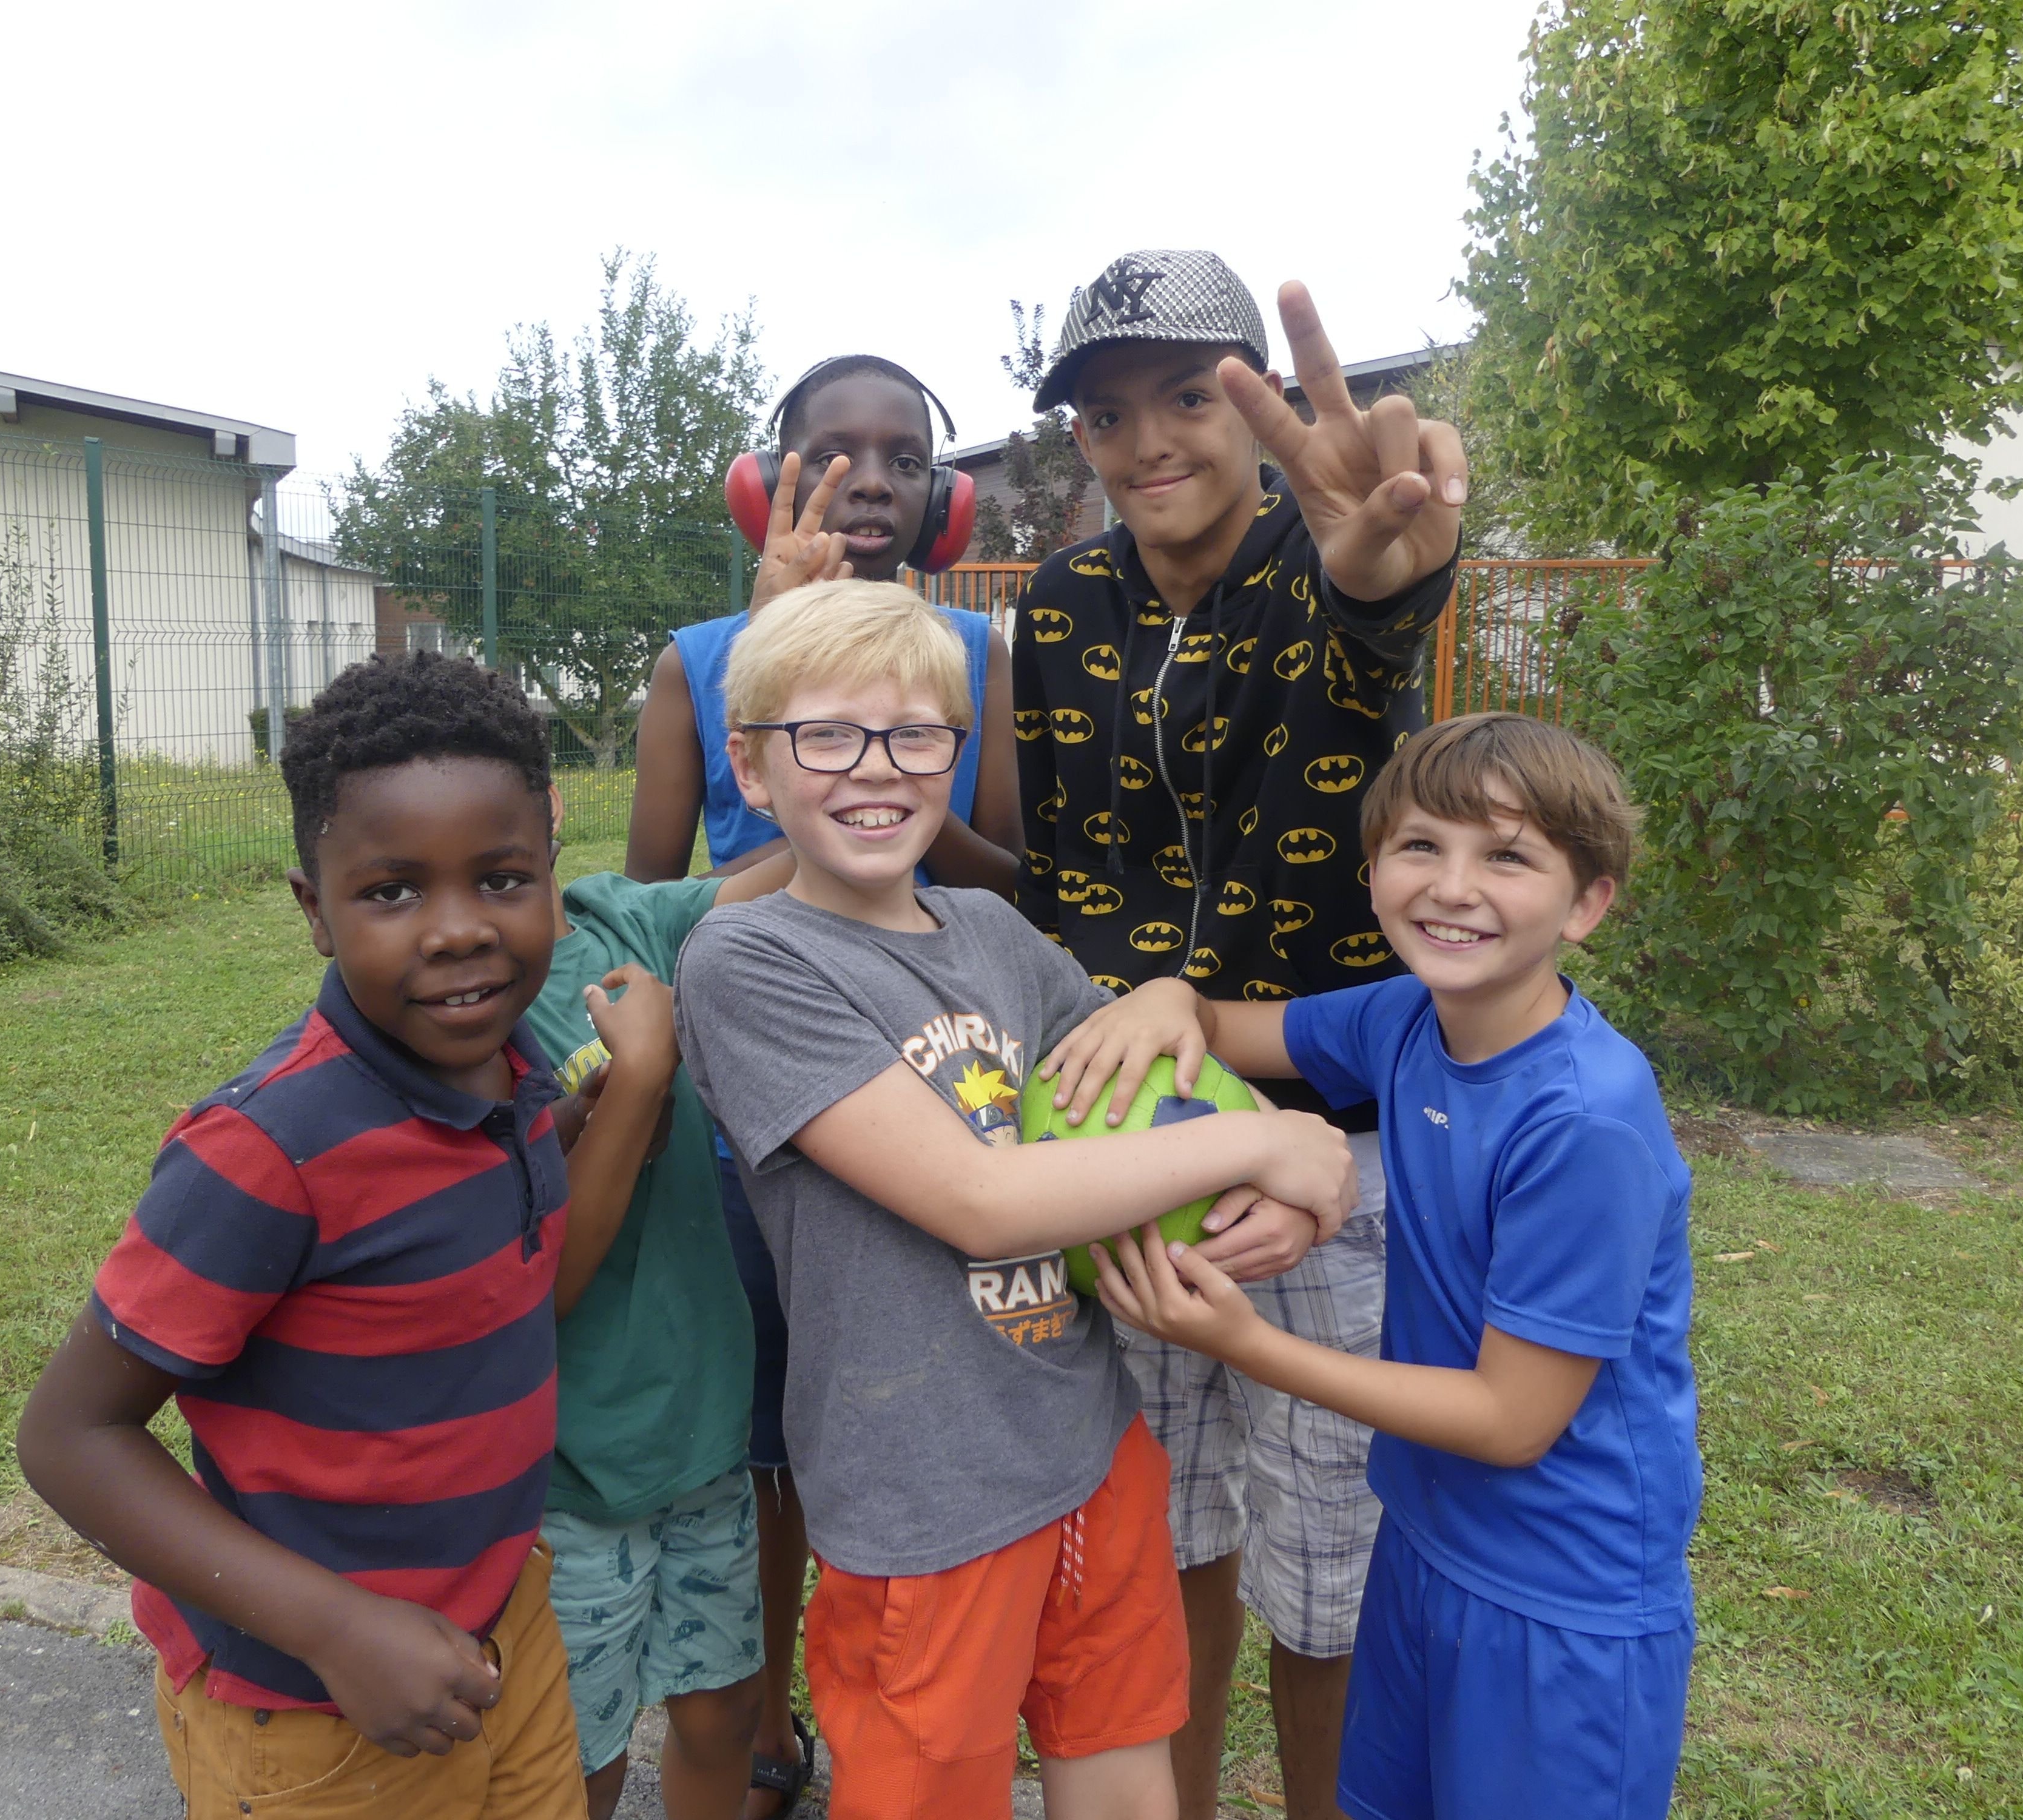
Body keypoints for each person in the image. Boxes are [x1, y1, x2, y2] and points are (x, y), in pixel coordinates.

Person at [668, 578, 1360, 1820]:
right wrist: (1277, 1146)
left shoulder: (991, 930)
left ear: (953, 753)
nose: (874, 769)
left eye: (915, 735)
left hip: (1090, 1443)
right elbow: (981, 1202)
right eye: (824, 736)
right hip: (921, 1499)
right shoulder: (749, 959)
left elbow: (1154, 1082)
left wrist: (1253, 1123)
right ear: (752, 770)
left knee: (1120, 1757)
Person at [1053, 712, 1700, 1820]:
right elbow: (1217, 1021)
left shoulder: (1584, 1121)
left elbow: (1510, 1419)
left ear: (1588, 903)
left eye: (1508, 856)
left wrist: (1248, 1345)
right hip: (1421, 1541)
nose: (1454, 886)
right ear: (1373, 874)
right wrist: (1167, 996)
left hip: (1565, 1597)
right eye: (1421, 847)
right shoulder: (1407, 1020)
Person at [1012, 248, 1467, 1820]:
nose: (1151, 440)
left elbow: (1367, 648)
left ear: (1248, 404)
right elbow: (1071, 867)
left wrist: (1378, 579)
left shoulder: (1316, 559)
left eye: (1191, 397)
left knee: (1327, 1572)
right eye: (1111, 412)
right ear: (1077, 437)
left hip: (1321, 1160)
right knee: (1166, 1537)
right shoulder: (1061, 611)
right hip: (1129, 1149)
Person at [16, 650, 585, 1820]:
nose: (458, 931)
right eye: (392, 892)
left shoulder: (519, 1073)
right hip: (315, 1702)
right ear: (314, 911)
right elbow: (70, 1437)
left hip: (502, 1628)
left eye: (502, 878)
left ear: (550, 877)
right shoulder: (266, 1151)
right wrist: (337, 1630)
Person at [625, 355, 1025, 1817]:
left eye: (902, 457)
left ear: (941, 500)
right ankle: (764, 1711)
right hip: (739, 1142)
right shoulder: (699, 659)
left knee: (878, 1415)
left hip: (921, 1117)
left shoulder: (979, 658)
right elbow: (643, 908)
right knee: (757, 1450)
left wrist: (882, 752)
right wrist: (789, 666)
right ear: (769, 480)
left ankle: (893, 1709)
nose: (869, 477)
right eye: (832, 452)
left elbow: (1008, 883)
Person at [521, 790, 796, 1820]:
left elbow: (794, 864)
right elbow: (533, 1285)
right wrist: (636, 1079)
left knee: (723, 1709)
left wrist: (820, 748)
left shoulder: (627, 920)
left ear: (546, 808)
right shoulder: (462, 1019)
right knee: (575, 1758)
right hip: (569, 1476)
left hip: (703, 1443)